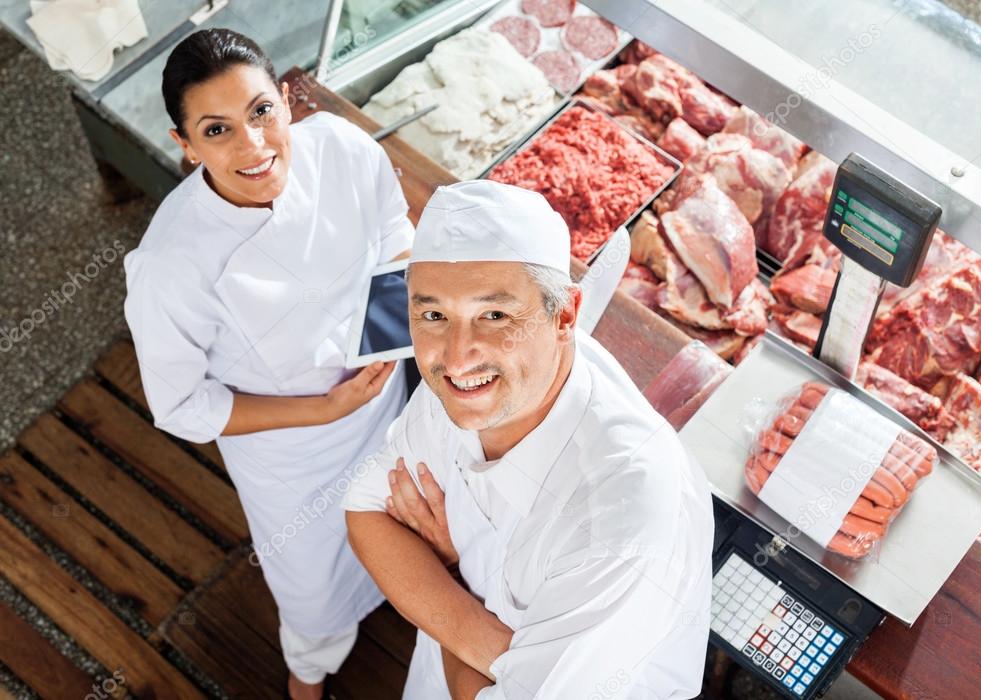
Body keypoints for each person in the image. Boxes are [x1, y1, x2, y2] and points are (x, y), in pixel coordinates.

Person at [123, 28, 413, 699]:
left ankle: (404, 594)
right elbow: (182, 405)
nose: (253, 145)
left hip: (387, 398)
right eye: (217, 130)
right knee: (313, 583)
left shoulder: (339, 148)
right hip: (293, 455)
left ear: (286, 100)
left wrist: (384, 341)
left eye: (260, 112)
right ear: (186, 146)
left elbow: (394, 234)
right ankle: (306, 674)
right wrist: (323, 407)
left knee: (404, 520)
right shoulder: (171, 265)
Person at [344, 180, 715, 698]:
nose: (455, 357)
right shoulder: (465, 386)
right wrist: (487, 637)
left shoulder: (627, 520)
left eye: (493, 315)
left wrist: (447, 579)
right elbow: (364, 510)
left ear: (564, 315)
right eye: (433, 315)